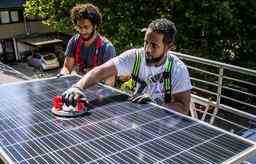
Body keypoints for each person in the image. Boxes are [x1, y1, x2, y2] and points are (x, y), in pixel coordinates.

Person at [63, 18, 192, 115]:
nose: (147, 49)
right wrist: (78, 87)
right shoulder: (135, 57)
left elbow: (184, 108)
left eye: (154, 45)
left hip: (166, 126)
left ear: (168, 47)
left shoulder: (178, 69)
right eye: (146, 42)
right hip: (140, 121)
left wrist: (157, 104)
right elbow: (101, 71)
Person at [60, 3, 116, 86]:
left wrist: (102, 94)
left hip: (98, 91)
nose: (82, 31)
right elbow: (67, 67)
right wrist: (63, 75)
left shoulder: (107, 48)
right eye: (79, 27)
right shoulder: (74, 41)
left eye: (86, 27)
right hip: (77, 88)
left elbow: (110, 79)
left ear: (95, 26)